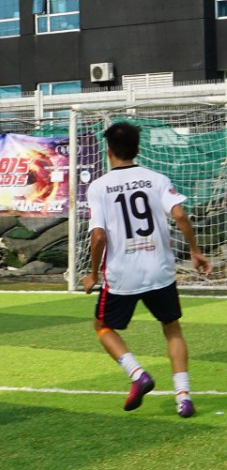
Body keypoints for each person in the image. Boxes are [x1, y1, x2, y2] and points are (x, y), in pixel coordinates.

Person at [82, 122, 212, 418]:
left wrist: (93, 274)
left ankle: (138, 374)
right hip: (159, 270)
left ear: (109, 150)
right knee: (172, 328)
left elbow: (98, 236)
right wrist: (195, 251)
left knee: (102, 326)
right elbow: (180, 215)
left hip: (123, 274)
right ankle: (183, 397)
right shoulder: (156, 178)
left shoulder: (99, 186)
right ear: (138, 149)